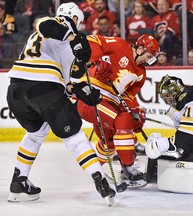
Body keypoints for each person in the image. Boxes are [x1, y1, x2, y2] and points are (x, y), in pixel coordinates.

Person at [6, 2, 115, 204]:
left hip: (16, 92)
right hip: (42, 89)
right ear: (73, 18)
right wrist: (74, 38)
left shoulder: (64, 46)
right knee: (74, 137)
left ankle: (19, 179)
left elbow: (64, 84)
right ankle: (101, 180)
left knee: (36, 133)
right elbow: (44, 25)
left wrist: (81, 91)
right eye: (78, 22)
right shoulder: (56, 25)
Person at [76, 34, 160, 187]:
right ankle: (128, 167)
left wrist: (135, 113)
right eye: (148, 56)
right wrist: (98, 60)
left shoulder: (141, 74)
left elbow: (126, 99)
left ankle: (95, 171)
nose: (148, 60)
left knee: (109, 144)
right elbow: (91, 40)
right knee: (123, 119)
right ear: (140, 49)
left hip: (108, 104)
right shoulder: (121, 45)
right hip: (90, 97)